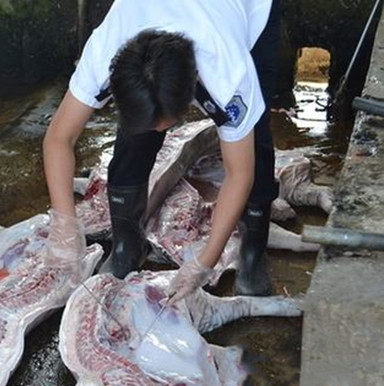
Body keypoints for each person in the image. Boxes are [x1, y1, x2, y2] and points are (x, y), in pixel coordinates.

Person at [43, 0, 281, 301]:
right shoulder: (105, 51)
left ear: (192, 89)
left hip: (249, 8)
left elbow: (239, 173)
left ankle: (252, 250)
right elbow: (59, 138)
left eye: (164, 124)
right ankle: (127, 243)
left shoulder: (228, 72)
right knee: (135, 131)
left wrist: (204, 261)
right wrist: (64, 223)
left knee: (254, 138)